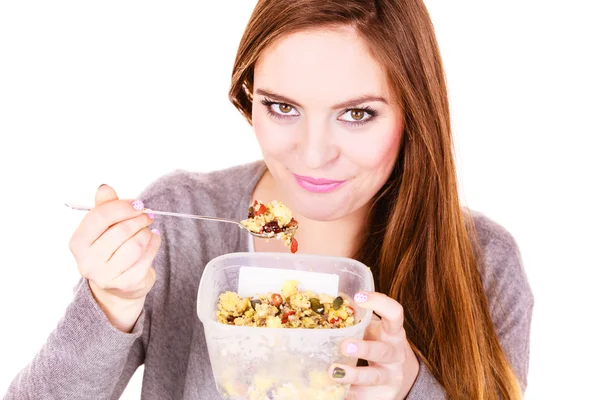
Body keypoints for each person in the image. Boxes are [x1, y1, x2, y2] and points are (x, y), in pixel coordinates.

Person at [4, 0, 533, 399]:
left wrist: (410, 387)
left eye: (357, 114)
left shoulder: (484, 263)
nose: (312, 154)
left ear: (413, 113)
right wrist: (110, 304)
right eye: (282, 107)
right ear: (248, 97)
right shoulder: (181, 225)